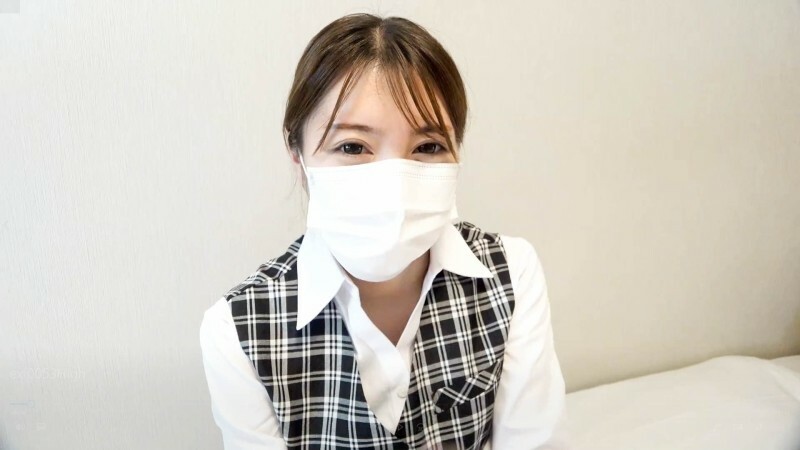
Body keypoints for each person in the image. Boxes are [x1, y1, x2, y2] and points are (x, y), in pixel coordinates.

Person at [199, 13, 570, 450]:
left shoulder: (511, 274)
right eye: (352, 147)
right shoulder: (239, 330)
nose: (395, 183)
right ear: (297, 154)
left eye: (428, 146)